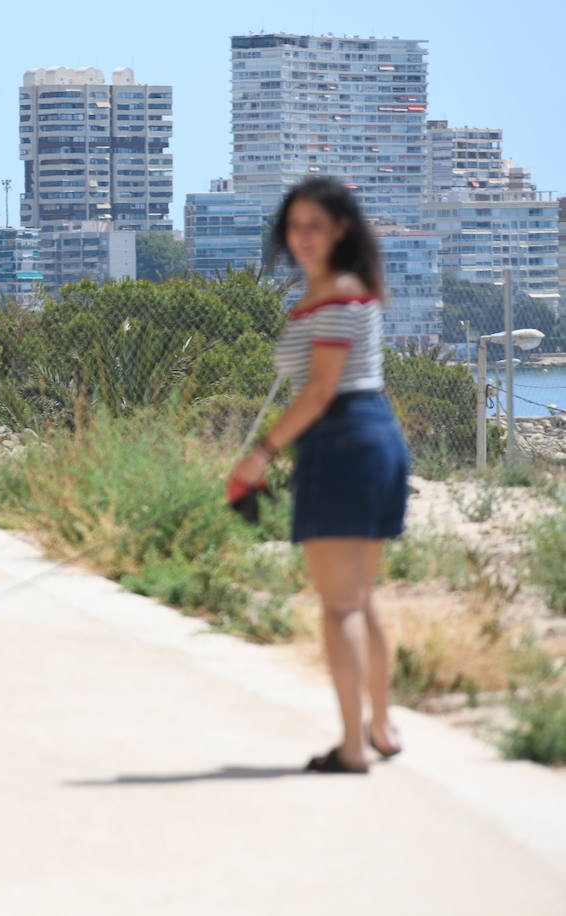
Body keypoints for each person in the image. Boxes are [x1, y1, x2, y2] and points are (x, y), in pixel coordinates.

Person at [227, 178, 409, 774]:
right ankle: (381, 728)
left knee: (340, 609)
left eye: (315, 226)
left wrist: (261, 454)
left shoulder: (335, 293)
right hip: (373, 439)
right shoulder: (339, 290)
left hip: (344, 441)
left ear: (341, 231)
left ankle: (353, 745)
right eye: (294, 226)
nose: (302, 237)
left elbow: (323, 388)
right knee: (361, 599)